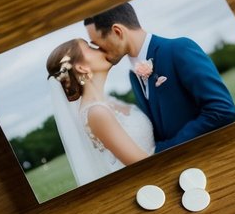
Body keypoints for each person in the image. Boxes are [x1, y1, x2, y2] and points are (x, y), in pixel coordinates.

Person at [83, 2, 235, 153]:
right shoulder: (133, 76)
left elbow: (222, 110)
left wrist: (164, 150)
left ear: (117, 32)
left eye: (97, 44)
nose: (98, 51)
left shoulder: (178, 49)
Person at [46, 38, 155, 184]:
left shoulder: (109, 102)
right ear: (82, 68)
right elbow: (144, 165)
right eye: (90, 48)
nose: (100, 48)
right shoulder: (96, 113)